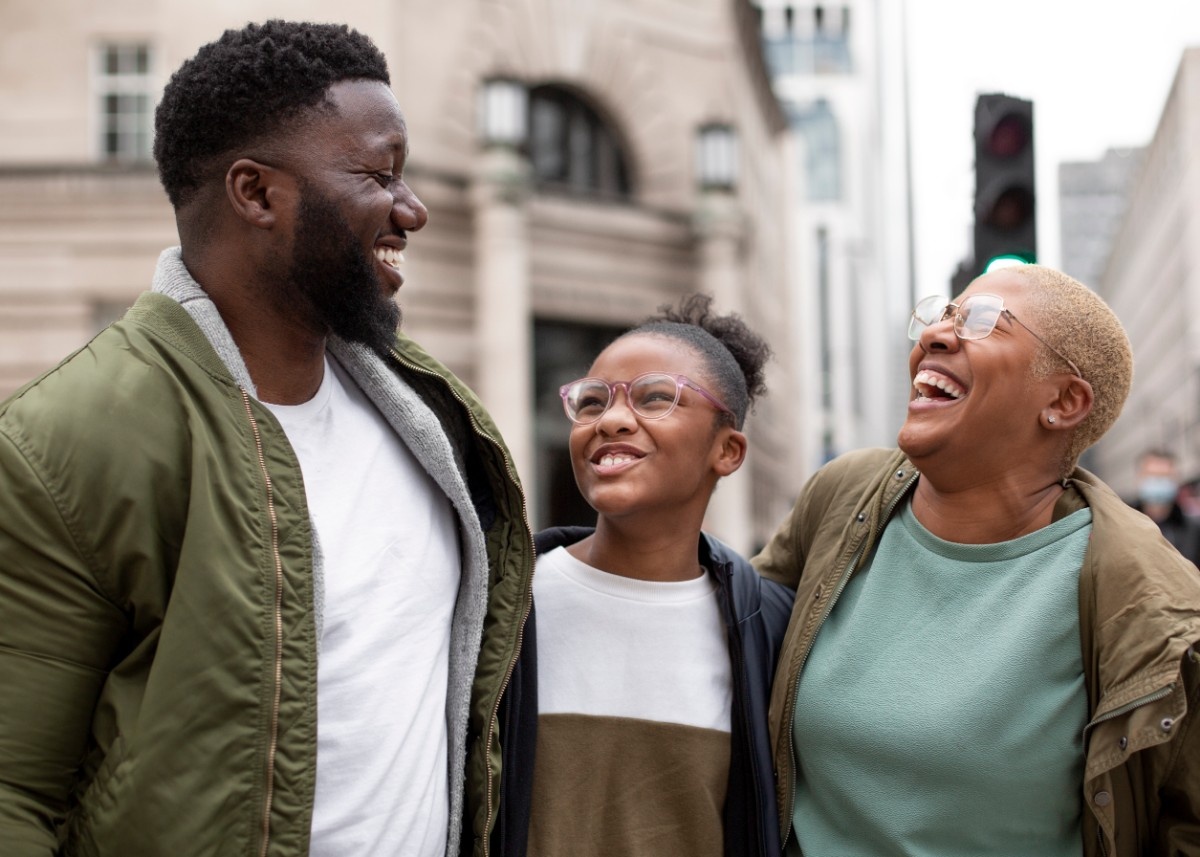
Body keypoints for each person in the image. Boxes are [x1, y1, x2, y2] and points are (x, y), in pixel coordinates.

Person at [0, 21, 532, 857]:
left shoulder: (436, 417)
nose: (413, 210)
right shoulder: (64, 438)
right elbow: (12, 787)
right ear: (255, 193)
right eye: (379, 175)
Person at [753, 265, 1200, 856]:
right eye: (942, 314)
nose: (936, 335)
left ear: (1064, 402)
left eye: (985, 321)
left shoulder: (1157, 611)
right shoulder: (842, 495)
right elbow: (732, 652)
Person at [502, 294, 793, 857]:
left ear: (728, 451)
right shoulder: (502, 600)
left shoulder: (770, 631)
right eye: (591, 403)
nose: (610, 420)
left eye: (655, 398)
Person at [1130, 448, 1200, 567]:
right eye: (1152, 475)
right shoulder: (1125, 523)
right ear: (1139, 477)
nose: (1158, 481)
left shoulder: (1194, 529)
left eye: (1165, 476)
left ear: (1176, 479)